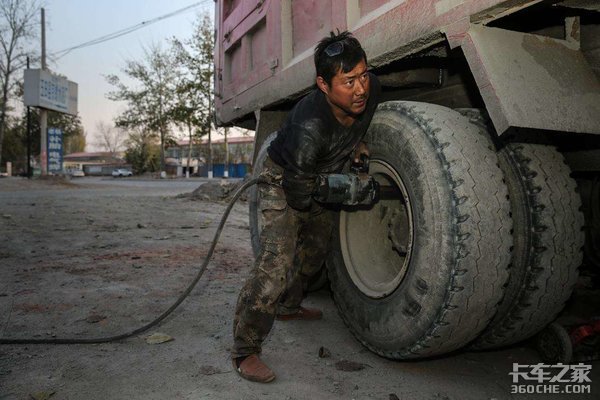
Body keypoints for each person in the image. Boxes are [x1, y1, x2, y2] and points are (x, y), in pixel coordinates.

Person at [231, 30, 381, 383]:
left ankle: (288, 306)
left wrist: (357, 143)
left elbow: (360, 119)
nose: (361, 89)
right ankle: (245, 349)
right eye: (348, 82)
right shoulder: (308, 125)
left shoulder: (371, 89)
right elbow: (299, 195)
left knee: (315, 250)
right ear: (323, 85)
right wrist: (337, 192)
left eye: (363, 75)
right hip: (284, 180)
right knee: (276, 262)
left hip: (315, 174)